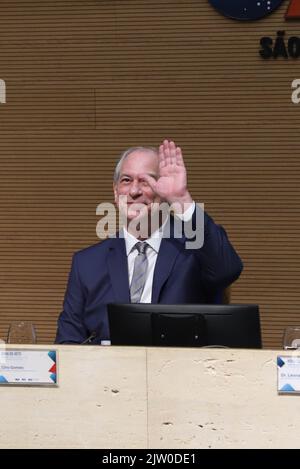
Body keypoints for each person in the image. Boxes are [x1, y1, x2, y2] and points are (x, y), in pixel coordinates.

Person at [55, 140, 243, 344]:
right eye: (126, 180)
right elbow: (68, 342)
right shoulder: (86, 263)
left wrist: (181, 200)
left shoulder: (193, 250)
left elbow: (228, 270)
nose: (134, 191)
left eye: (146, 181)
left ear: (163, 190)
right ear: (116, 192)